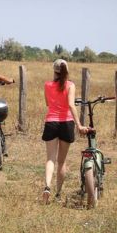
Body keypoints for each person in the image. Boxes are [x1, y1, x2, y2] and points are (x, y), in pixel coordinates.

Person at [41, 59, 90, 205]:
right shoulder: (70, 85)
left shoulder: (47, 85)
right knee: (61, 162)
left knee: (50, 159)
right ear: (66, 71)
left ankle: (47, 186)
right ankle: (58, 193)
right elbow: (70, 105)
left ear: (54, 71)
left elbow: (48, 104)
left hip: (51, 122)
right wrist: (79, 125)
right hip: (66, 124)